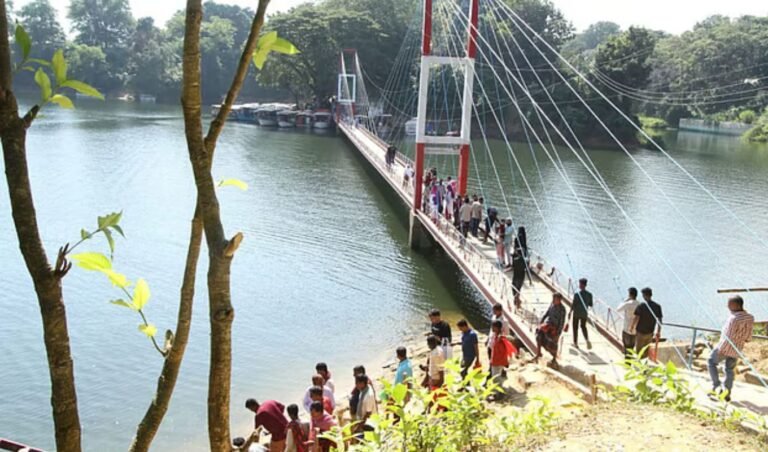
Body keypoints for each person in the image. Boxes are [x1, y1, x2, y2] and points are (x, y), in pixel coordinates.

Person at [708, 295, 754, 402]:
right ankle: (726, 392)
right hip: (737, 348)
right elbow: (748, 337)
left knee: (711, 362)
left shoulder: (733, 318)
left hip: (725, 347)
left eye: (729, 304)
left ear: (736, 305)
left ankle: (716, 387)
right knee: (729, 370)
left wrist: (720, 349)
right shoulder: (750, 317)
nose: (727, 306)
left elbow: (728, 336)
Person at [534, 293, 567, 368]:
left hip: (555, 328)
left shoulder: (562, 309)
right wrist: (541, 322)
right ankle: (538, 352)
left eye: (555, 299)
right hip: (548, 325)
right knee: (539, 335)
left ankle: (554, 359)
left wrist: (558, 332)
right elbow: (547, 313)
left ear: (559, 300)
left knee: (553, 344)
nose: (553, 300)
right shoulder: (552, 305)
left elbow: (562, 322)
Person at [630, 287, 663, 359]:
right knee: (646, 352)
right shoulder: (657, 306)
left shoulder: (641, 306)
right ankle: (644, 367)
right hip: (650, 333)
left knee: (639, 351)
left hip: (640, 332)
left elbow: (636, 318)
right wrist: (658, 332)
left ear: (644, 295)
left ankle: (639, 367)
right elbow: (660, 320)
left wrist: (632, 327)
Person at [616, 287, 640, 357]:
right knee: (631, 347)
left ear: (630, 295)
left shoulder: (628, 303)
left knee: (626, 346)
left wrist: (625, 301)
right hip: (635, 329)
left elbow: (618, 309)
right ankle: (629, 361)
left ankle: (627, 362)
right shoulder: (639, 304)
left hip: (627, 328)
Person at [570, 278, 593, 350]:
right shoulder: (589, 294)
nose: (579, 285)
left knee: (575, 327)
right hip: (584, 313)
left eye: (579, 283)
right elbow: (591, 304)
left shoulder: (577, 294)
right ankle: (587, 340)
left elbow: (574, 304)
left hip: (577, 313)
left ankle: (575, 342)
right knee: (583, 327)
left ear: (582, 285)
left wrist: (570, 312)